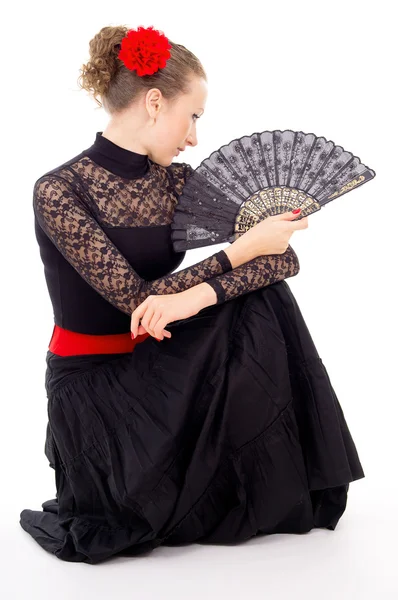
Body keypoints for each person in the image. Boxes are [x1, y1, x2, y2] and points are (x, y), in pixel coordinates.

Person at [19, 25, 365, 564]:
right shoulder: (60, 191)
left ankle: (282, 474)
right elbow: (133, 300)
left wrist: (195, 297)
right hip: (96, 390)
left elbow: (281, 258)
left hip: (160, 368)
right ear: (155, 103)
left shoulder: (179, 183)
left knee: (262, 299)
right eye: (193, 116)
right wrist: (228, 260)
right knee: (238, 283)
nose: (194, 138)